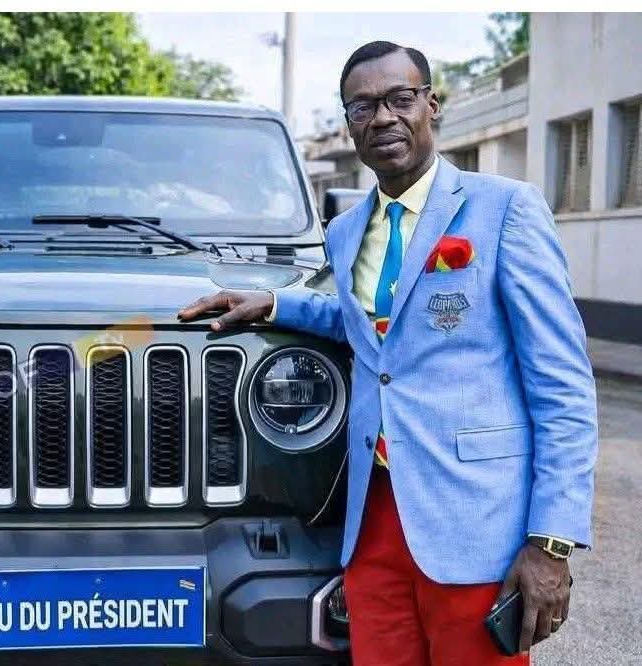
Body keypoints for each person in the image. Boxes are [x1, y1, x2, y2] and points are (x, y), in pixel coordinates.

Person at [178, 41, 597, 665]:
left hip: (474, 521)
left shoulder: (504, 209)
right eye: (363, 106)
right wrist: (275, 304)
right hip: (374, 521)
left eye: (400, 98)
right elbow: (372, 325)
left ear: (432, 105)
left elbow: (564, 388)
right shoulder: (347, 231)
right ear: (349, 124)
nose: (382, 118)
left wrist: (551, 543)